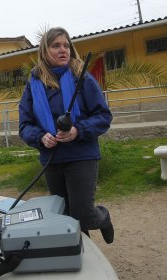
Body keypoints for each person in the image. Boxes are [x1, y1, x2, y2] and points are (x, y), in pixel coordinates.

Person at [19, 27, 114, 244]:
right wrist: (41, 137)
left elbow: (103, 116)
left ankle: (104, 217)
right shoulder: (33, 85)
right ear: (45, 51)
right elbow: (24, 125)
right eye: (56, 46)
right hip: (51, 160)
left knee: (83, 215)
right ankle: (83, 255)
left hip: (82, 155)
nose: (63, 50)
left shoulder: (82, 78)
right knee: (65, 216)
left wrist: (78, 130)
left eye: (66, 45)